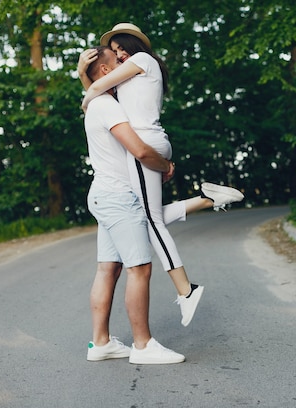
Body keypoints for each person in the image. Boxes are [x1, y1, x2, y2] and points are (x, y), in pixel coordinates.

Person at [78, 23, 244, 327]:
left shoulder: (143, 61)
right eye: (114, 53)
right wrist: (86, 84)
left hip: (144, 143)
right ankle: (207, 200)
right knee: (144, 218)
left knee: (150, 221)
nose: (120, 55)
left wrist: (84, 80)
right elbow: (99, 89)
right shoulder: (130, 77)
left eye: (121, 48)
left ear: (133, 45)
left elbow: (96, 88)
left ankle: (186, 290)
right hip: (147, 142)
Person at [84, 46, 184, 364]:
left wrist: (81, 76)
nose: (123, 64)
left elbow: (92, 89)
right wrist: (165, 165)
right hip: (118, 197)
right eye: (116, 62)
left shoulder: (97, 104)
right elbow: (140, 150)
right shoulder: (109, 106)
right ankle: (143, 346)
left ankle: (101, 343)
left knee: (107, 269)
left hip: (103, 194)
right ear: (104, 71)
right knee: (139, 268)